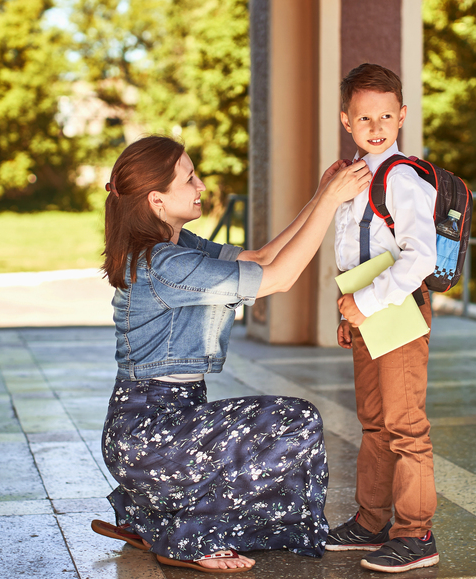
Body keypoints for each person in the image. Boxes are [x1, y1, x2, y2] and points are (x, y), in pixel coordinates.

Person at [91, 135, 370, 573]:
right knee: (295, 421)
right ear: (156, 199)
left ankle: (152, 516)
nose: (201, 185)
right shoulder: (164, 263)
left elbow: (260, 258)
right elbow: (277, 279)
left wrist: (320, 196)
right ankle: (187, 536)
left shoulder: (176, 245)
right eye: (189, 178)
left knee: (268, 434)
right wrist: (332, 203)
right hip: (151, 438)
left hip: (152, 429)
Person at [327, 63, 441, 573]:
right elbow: (355, 251)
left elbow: (420, 255)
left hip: (398, 313)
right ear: (347, 122)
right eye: (364, 117)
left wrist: (366, 304)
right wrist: (351, 312)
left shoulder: (402, 178)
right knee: (374, 422)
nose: (376, 127)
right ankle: (371, 521)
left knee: (405, 425)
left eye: (386, 117)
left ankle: (415, 533)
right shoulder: (354, 178)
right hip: (368, 315)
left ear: (402, 117)